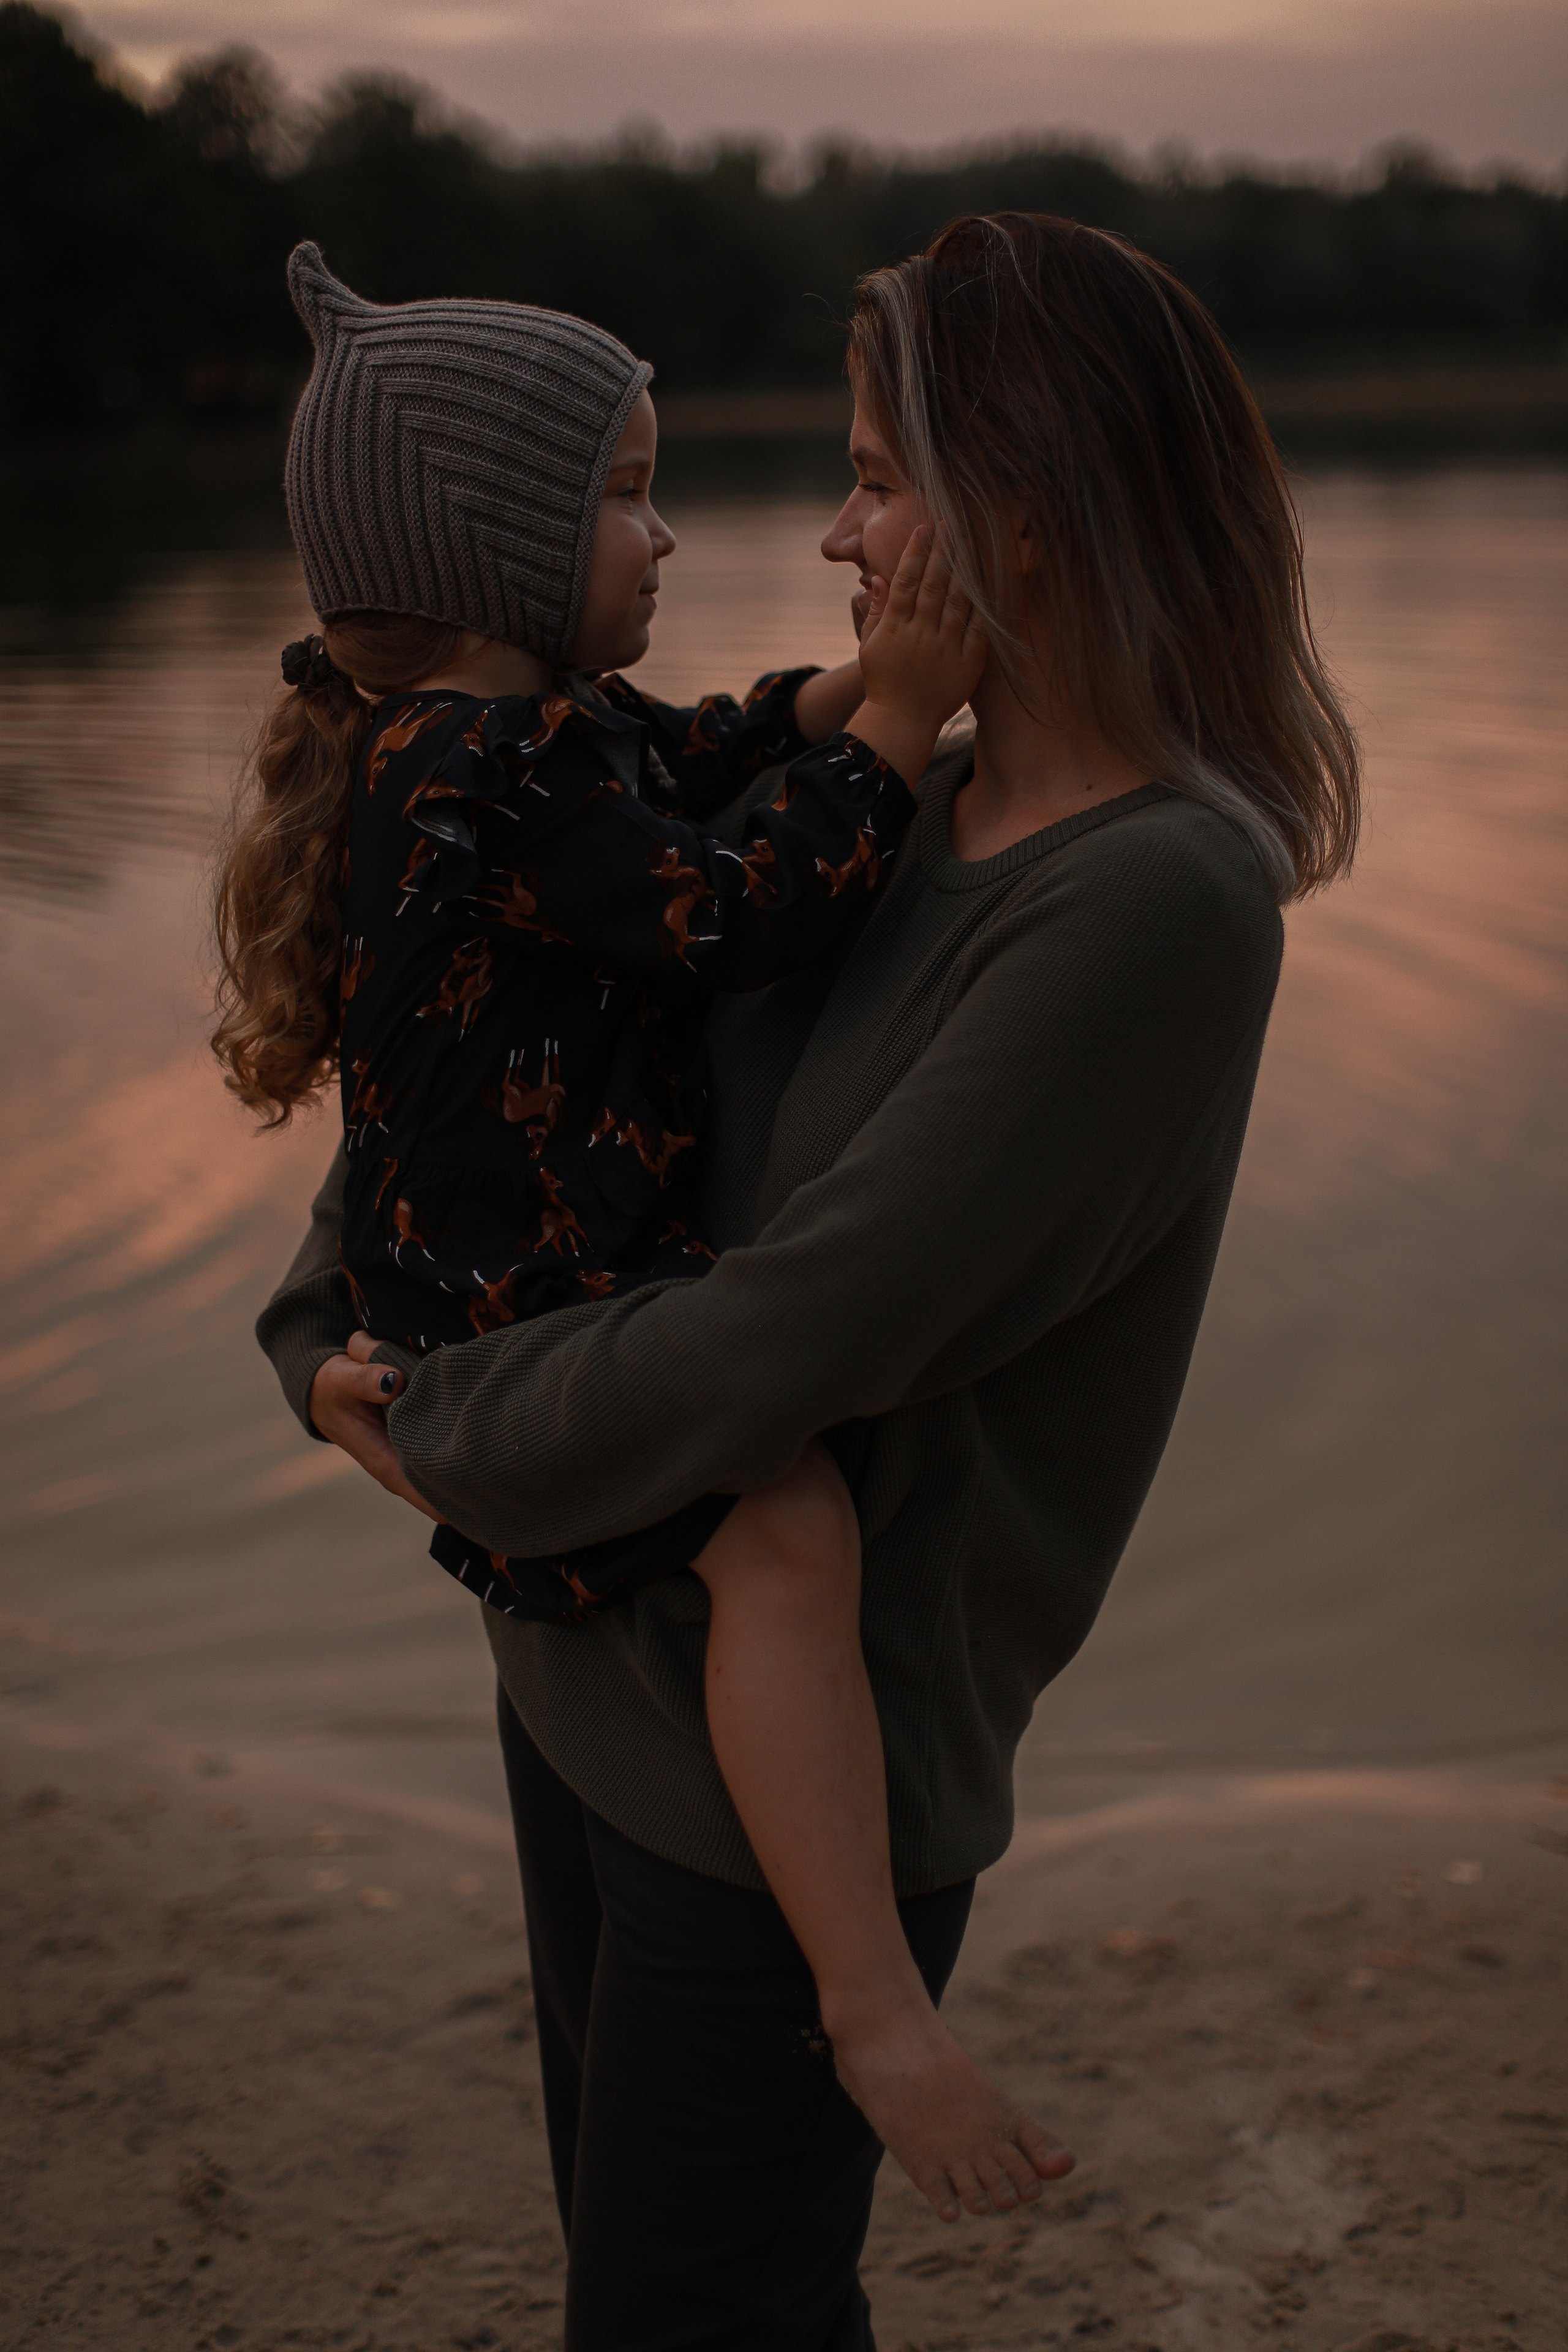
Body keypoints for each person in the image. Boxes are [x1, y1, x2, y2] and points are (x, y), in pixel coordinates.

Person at [255, 214, 1359, 2349]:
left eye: (878, 475)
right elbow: (484, 1080)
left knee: (690, 2319)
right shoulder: (868, 814)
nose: (837, 532)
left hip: (791, 1790)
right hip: (583, 1655)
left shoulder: (1154, 897)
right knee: (665, 2289)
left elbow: (796, 1336)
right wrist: (323, 1338)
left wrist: (445, 1439)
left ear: (1023, 510)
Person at [216, 241, 1069, 2251]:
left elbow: (700, 751)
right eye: (620, 494)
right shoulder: (472, 780)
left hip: (479, 1281)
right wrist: (907, 727)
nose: (668, 529)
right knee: (788, 1539)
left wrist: (852, 696)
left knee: (773, 1551)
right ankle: (873, 2010)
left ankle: (857, 1997)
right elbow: (733, 906)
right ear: (494, 546)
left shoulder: (528, 739)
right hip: (517, 1313)